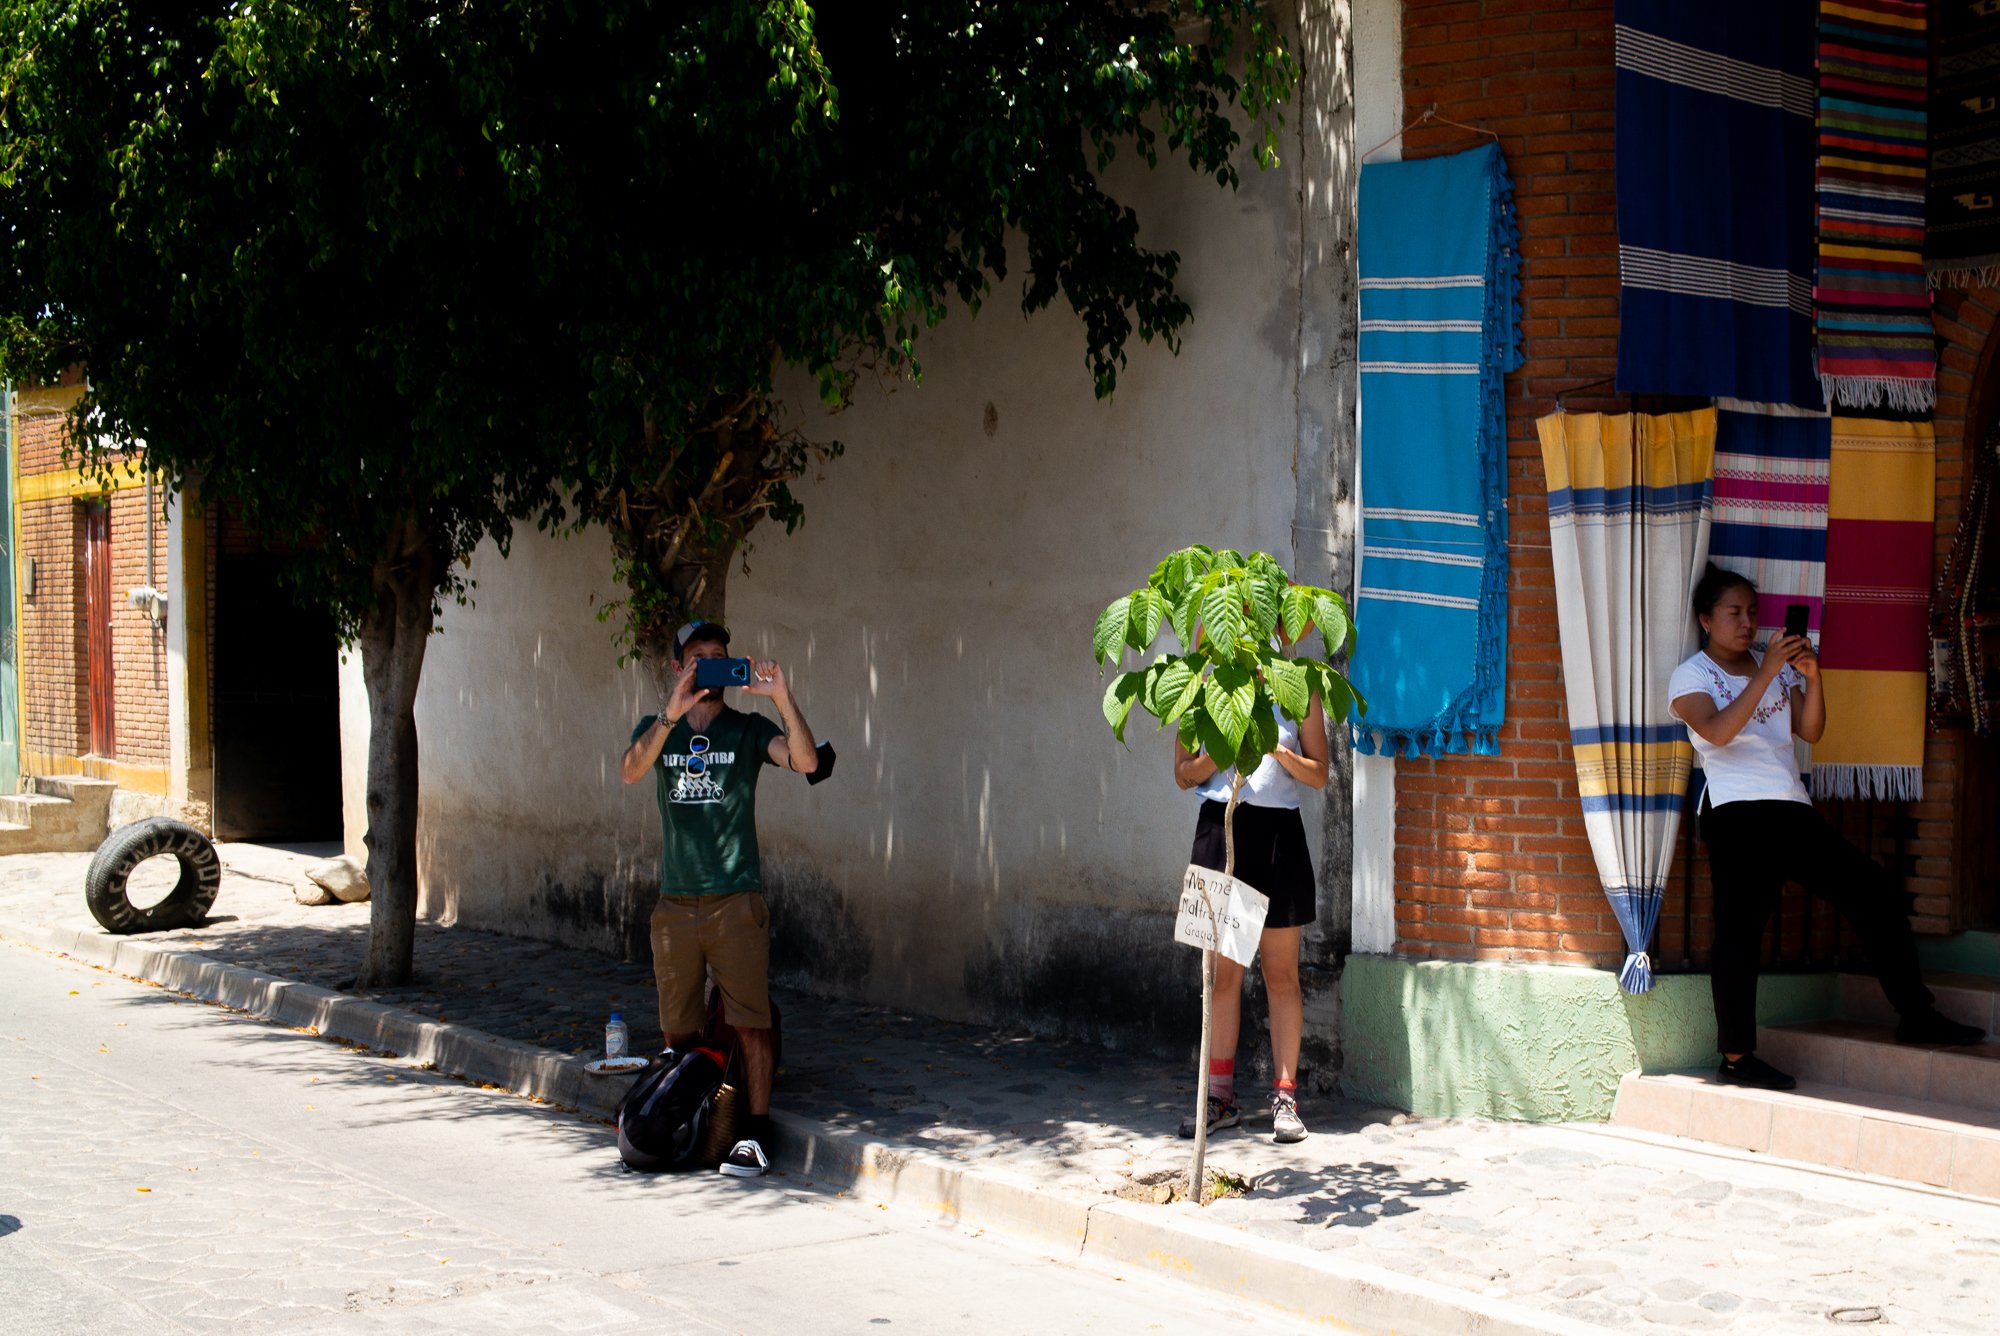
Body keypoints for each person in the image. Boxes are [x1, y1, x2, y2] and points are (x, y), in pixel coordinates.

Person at [1668, 564, 1983, 1092]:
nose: (1747, 623)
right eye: (1734, 613)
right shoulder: (1692, 676)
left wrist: (1811, 678)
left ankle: (1916, 1014)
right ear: (1706, 619)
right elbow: (1719, 733)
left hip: (1791, 807)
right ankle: (1737, 1056)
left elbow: (1809, 729)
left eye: (1752, 612)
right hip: (1737, 814)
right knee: (1740, 934)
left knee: (1873, 889)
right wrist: (1766, 673)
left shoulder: (1772, 667)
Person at [621, 618, 820, 1176]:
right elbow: (630, 771)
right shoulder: (658, 728)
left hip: (736, 900)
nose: (709, 664)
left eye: (718, 656)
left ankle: (752, 1138)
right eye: (697, 657)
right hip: (675, 904)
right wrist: (671, 711)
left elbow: (806, 761)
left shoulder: (749, 729)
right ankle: (697, 1117)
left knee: (751, 1023)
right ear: (678, 666)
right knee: (678, 1029)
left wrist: (781, 696)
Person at [1171, 665, 1330, 1144]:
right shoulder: (1200, 683)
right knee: (1223, 976)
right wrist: (1222, 752)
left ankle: (1285, 1098)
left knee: (1282, 974)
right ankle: (1217, 1098)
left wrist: (1277, 752)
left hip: (1280, 835)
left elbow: (1320, 774)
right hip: (1223, 831)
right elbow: (1183, 773)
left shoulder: (1299, 684)